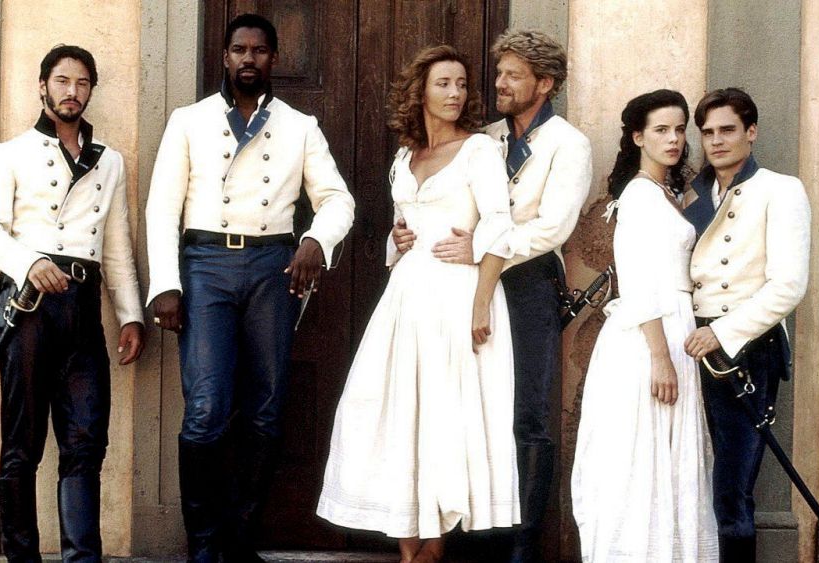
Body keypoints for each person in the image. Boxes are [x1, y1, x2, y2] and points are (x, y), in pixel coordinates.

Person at [145, 13, 355, 562]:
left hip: (271, 267)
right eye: (239, 49)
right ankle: (203, 545)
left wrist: (315, 240)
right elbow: (161, 208)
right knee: (206, 408)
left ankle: (240, 541)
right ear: (225, 56)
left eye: (259, 51)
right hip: (205, 264)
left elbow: (338, 199)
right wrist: (166, 284)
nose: (248, 59)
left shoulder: (299, 125)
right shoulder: (188, 121)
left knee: (266, 407)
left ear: (274, 59)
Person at [392, 29, 592, 562]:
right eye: (499, 72)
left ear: (544, 83)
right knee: (471, 408)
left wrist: (484, 250)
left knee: (527, 413)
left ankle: (521, 547)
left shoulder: (568, 144)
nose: (498, 83)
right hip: (460, 285)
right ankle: (469, 537)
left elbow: (554, 226)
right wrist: (408, 234)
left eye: (512, 75)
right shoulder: (485, 137)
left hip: (526, 284)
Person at [316, 45, 519, 563]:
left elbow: (499, 226)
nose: (455, 93)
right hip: (408, 298)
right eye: (443, 83)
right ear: (420, 92)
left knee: (446, 414)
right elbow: (401, 228)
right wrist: (397, 239)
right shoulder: (404, 158)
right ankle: (409, 545)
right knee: (397, 409)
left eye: (461, 84)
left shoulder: (479, 150)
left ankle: (434, 545)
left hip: (458, 294)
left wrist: (481, 304)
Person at [0, 45, 145, 562]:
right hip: (28, 310)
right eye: (63, 81)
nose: (72, 92)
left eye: (82, 83)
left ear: (91, 91)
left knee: (86, 441)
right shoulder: (9, 154)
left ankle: (81, 558)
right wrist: (27, 263)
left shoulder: (109, 162)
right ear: (42, 86)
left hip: (83, 311)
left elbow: (116, 247)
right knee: (22, 446)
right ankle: (22, 557)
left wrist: (130, 315)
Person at [569, 90, 718, 562]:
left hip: (674, 326)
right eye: (661, 130)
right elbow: (636, 280)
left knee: (667, 462)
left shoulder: (665, 193)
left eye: (679, 130)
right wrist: (660, 358)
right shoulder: (637, 196)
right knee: (641, 458)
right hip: (649, 335)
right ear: (638, 137)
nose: (673, 139)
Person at [682, 88, 810, 562]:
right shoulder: (690, 194)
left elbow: (788, 286)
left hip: (745, 350)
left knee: (732, 489)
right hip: (688, 345)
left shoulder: (781, 189)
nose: (716, 141)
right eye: (708, 132)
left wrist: (722, 332)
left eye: (728, 130)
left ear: (751, 132)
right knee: (689, 480)